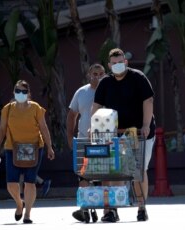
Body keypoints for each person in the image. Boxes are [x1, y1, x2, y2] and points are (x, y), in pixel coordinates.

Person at [91, 48, 156, 222]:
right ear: (109, 65)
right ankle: (113, 210)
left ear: (126, 62)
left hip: (140, 133)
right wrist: (94, 126)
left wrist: (145, 125)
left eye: (121, 62)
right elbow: (96, 107)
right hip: (116, 134)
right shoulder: (105, 83)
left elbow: (148, 101)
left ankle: (141, 207)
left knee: (139, 170)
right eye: (114, 63)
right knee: (116, 171)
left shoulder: (138, 78)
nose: (118, 65)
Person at [0, 80, 55, 224]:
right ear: (14, 93)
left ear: (29, 94)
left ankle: (27, 214)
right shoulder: (7, 109)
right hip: (12, 148)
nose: (21, 94)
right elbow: (1, 130)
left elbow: (43, 128)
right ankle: (19, 204)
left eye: (24, 91)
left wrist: (49, 146)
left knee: (30, 182)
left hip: (34, 148)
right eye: (18, 91)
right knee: (11, 184)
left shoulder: (36, 108)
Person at [66, 63, 105, 222]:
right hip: (83, 141)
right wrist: (70, 137)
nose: (97, 77)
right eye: (94, 74)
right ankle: (84, 209)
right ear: (89, 75)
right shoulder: (81, 92)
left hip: (104, 142)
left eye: (101, 74)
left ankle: (105, 210)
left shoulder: (110, 90)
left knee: (102, 176)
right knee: (83, 176)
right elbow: (72, 115)